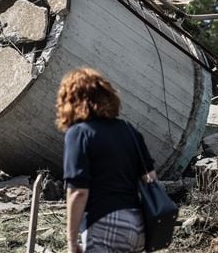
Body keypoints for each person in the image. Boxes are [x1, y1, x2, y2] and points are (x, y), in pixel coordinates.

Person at [57, 67, 157, 253]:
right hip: (138, 226)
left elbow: (78, 192)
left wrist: (71, 240)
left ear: (71, 101)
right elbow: (150, 178)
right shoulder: (128, 130)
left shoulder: (79, 134)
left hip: (104, 225)